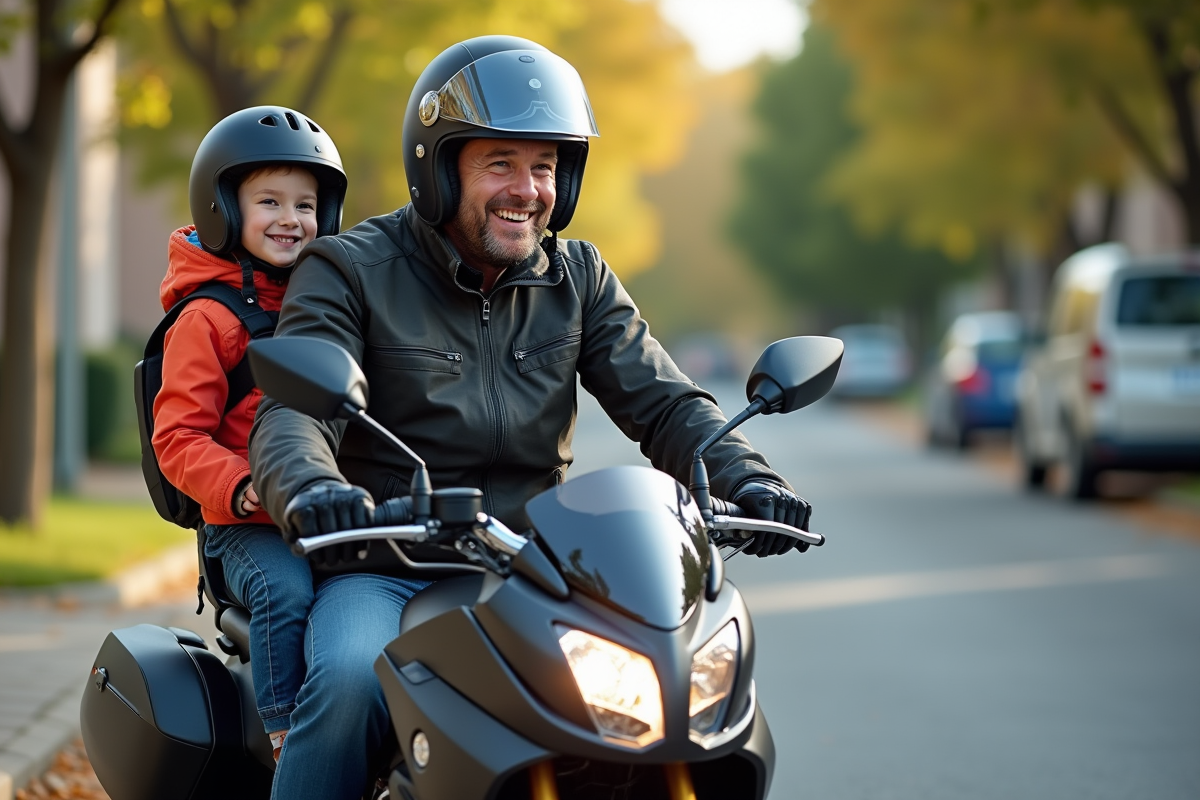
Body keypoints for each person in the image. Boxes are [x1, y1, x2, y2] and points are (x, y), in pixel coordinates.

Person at [248, 36, 811, 800]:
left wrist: (747, 478)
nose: (528, 190)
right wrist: (313, 487)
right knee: (351, 681)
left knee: (658, 694)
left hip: (536, 570)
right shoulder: (351, 269)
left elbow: (666, 400)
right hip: (386, 565)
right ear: (440, 171)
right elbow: (292, 413)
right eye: (501, 164)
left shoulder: (577, 278)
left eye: (545, 166)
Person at [151, 105, 348, 762]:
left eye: (306, 203)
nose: (291, 218)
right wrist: (241, 488)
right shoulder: (208, 318)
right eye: (269, 200)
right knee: (286, 591)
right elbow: (177, 438)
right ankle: (290, 737)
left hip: (327, 513)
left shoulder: (321, 303)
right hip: (244, 526)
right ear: (223, 208)